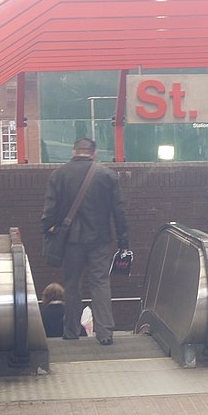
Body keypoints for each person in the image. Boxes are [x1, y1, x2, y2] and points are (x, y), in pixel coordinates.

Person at [41, 138, 130, 345]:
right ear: (94, 153)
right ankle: (105, 332)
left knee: (72, 284)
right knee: (100, 283)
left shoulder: (59, 175)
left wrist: (47, 233)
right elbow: (119, 211)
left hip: (71, 241)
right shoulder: (107, 175)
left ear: (74, 152)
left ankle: (71, 331)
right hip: (100, 239)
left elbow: (49, 211)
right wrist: (123, 240)